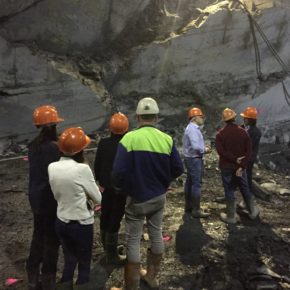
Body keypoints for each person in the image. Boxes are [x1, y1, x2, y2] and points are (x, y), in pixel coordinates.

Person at [110, 97, 183, 290]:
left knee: (133, 239)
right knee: (156, 232)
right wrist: (164, 181)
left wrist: (123, 189)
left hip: (137, 198)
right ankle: (151, 277)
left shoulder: (129, 139)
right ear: (156, 117)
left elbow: (117, 173)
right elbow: (178, 168)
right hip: (158, 196)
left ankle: (131, 286)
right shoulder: (166, 139)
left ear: (137, 117)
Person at [48, 127, 102, 290]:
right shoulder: (82, 169)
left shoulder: (52, 167)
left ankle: (65, 285)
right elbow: (98, 198)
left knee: (69, 259)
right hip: (81, 223)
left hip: (61, 221)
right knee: (84, 262)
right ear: (80, 150)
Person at [27, 105, 64, 290]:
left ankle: (32, 276)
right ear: (56, 125)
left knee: (38, 235)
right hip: (50, 199)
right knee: (52, 239)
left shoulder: (32, 146)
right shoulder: (55, 148)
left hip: (36, 197)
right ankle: (48, 278)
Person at [94, 112, 129, 265]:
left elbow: (98, 164)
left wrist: (100, 181)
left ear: (110, 128)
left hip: (107, 187)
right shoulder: (127, 144)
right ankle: (111, 255)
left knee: (106, 214)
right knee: (115, 218)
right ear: (126, 129)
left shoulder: (103, 143)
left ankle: (106, 249)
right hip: (120, 188)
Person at [215, 108, 260, 224]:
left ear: (224, 120)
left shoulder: (220, 134)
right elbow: (249, 151)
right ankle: (253, 211)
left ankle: (231, 217)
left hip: (226, 167)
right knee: (244, 187)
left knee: (229, 189)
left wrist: (234, 159)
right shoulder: (243, 132)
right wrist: (242, 165)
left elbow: (221, 152)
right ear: (235, 118)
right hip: (239, 168)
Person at [183, 107, 210, 218]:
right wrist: (205, 149)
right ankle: (196, 210)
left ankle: (189, 206)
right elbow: (195, 146)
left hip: (190, 158)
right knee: (196, 184)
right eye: (201, 116)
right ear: (195, 118)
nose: (202, 118)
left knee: (190, 182)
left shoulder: (191, 128)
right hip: (194, 159)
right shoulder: (193, 129)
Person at [240, 106, 262, 193]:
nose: (244, 119)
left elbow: (249, 146)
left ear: (250, 119)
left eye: (245, 118)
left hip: (249, 158)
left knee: (247, 175)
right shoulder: (243, 128)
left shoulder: (255, 132)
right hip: (243, 157)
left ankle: (248, 193)